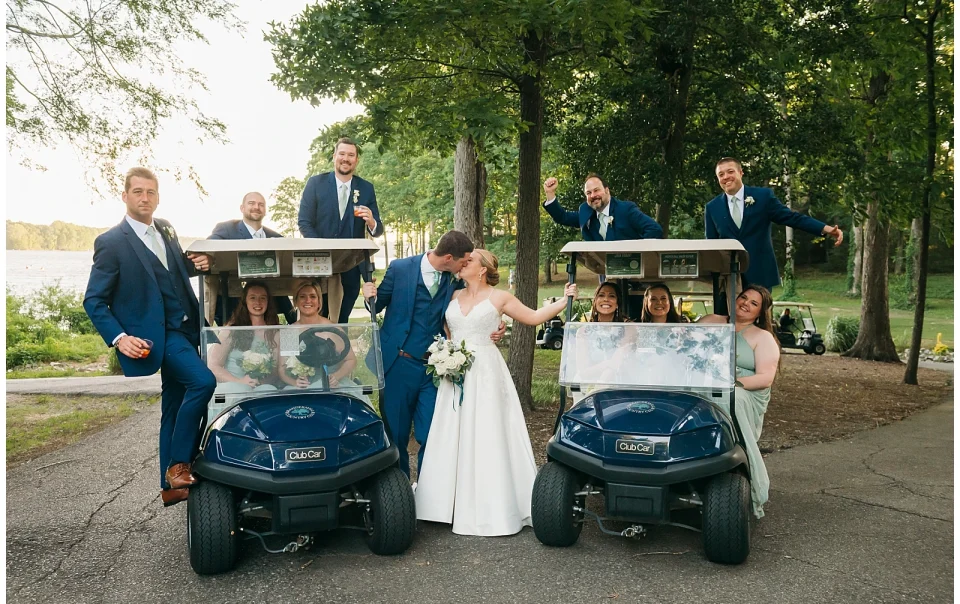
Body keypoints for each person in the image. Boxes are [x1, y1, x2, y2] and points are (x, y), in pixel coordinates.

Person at [414, 249, 578, 536]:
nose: (463, 264)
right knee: (451, 432)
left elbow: (534, 317)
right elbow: (447, 330)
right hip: (455, 373)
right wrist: (445, 355)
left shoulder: (499, 297)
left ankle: (492, 505)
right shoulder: (453, 296)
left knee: (487, 433)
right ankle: (444, 505)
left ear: (482, 268)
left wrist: (565, 300)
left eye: (469, 261)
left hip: (486, 372)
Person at [83, 167, 216, 507]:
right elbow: (94, 300)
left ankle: (169, 485)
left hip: (189, 327)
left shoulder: (167, 229)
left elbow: (175, 268)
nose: (145, 198)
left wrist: (198, 261)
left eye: (151, 192)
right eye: (138, 192)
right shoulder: (111, 242)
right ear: (125, 196)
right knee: (203, 382)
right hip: (159, 337)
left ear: (157, 197)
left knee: (173, 405)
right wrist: (118, 338)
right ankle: (178, 465)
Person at [360, 230, 505, 479]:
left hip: (433, 369)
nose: (465, 265)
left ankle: (428, 493)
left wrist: (497, 324)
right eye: (463, 260)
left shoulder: (455, 279)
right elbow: (378, 304)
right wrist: (368, 296)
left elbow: (477, 301)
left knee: (432, 432)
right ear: (448, 257)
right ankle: (400, 493)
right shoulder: (400, 268)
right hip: (398, 364)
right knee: (396, 433)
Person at [698, 284, 781, 518]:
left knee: (725, 397)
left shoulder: (762, 337)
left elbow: (766, 377)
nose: (745, 303)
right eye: (744, 297)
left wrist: (732, 383)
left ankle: (751, 479)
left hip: (743, 387)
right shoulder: (712, 321)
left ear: (760, 312)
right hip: (706, 380)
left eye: (754, 303)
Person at [705, 157, 842, 293]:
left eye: (730, 171)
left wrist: (825, 229)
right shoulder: (712, 207)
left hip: (760, 275)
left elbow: (792, 218)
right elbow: (711, 246)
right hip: (727, 279)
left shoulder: (763, 196)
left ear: (741, 172)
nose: (726, 177)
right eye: (721, 174)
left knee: (761, 315)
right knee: (725, 316)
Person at [298, 137, 384, 323]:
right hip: (319, 264)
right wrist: (323, 251)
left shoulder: (366, 188)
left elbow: (377, 230)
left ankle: (338, 348)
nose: (346, 158)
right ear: (334, 156)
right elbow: (304, 223)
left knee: (341, 320)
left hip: (352, 267)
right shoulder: (315, 184)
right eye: (342, 154)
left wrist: (371, 222)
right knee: (316, 317)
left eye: (351, 155)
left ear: (356, 160)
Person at [208, 192, 297, 324]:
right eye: (251, 203)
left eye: (261, 204)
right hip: (234, 300)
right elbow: (208, 248)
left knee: (289, 329)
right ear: (242, 208)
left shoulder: (277, 237)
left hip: (271, 299)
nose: (256, 207)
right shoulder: (226, 229)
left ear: (265, 210)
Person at [208, 281, 281, 400]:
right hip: (232, 384)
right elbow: (214, 366)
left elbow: (277, 369)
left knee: (269, 391)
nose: (258, 302)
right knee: (236, 391)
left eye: (263, 298)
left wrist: (260, 381)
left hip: (262, 386)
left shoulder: (274, 332)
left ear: (268, 302)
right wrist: (239, 381)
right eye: (253, 297)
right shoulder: (231, 330)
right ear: (245, 301)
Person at [280, 281, 357, 390]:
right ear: (296, 302)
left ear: (319, 302)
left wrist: (335, 376)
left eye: (312, 296)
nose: (308, 301)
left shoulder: (333, 329)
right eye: (302, 297)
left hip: (330, 384)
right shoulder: (290, 332)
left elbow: (350, 360)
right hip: (303, 386)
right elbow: (282, 368)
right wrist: (294, 382)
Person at [542, 174, 663, 241]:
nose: (593, 195)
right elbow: (562, 217)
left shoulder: (626, 209)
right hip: (604, 274)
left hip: (633, 272)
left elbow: (654, 230)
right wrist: (550, 193)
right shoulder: (585, 211)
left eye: (596, 190)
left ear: (607, 190)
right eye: (588, 193)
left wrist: (636, 253)